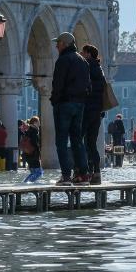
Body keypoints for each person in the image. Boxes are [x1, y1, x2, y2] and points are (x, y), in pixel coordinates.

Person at [49, 32, 91, 186]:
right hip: (79, 105)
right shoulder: (83, 61)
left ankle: (66, 176)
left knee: (61, 140)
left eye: (58, 43)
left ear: (65, 44)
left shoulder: (63, 60)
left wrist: (55, 100)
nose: (56, 45)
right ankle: (82, 175)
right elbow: (89, 86)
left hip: (64, 104)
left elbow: (58, 84)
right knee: (77, 140)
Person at [81, 44, 106, 185]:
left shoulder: (86, 67)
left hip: (86, 109)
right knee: (91, 143)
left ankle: (82, 171)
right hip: (97, 111)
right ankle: (96, 172)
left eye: (83, 52)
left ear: (88, 54)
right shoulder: (99, 69)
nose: (81, 54)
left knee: (79, 140)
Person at [21, 116, 43, 183]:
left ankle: (25, 182)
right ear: (35, 122)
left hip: (27, 154)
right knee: (39, 172)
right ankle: (28, 183)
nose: (39, 123)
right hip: (33, 154)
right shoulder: (34, 131)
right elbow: (34, 143)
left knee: (33, 172)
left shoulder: (28, 130)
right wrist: (38, 153)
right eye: (38, 122)